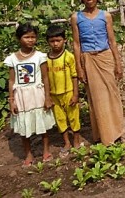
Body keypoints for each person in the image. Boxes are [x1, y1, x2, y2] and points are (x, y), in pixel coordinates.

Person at [70, 0, 124, 146]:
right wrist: (79, 67)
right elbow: (77, 44)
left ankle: (116, 132)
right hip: (89, 60)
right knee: (96, 98)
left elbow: (112, 41)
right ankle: (103, 134)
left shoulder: (105, 16)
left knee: (111, 94)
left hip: (105, 57)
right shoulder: (76, 17)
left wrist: (118, 63)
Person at [4, 22, 55, 167]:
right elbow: (12, 80)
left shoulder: (40, 56)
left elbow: (45, 77)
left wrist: (48, 96)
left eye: (33, 37)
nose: (30, 40)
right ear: (19, 38)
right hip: (21, 96)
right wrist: (11, 99)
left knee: (42, 124)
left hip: (37, 94)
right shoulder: (12, 59)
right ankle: (28, 153)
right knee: (23, 126)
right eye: (27, 37)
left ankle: (46, 151)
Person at [46, 24, 81, 157]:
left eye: (58, 40)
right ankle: (66, 142)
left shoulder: (69, 57)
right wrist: (47, 96)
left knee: (73, 117)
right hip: (54, 95)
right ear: (48, 42)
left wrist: (75, 94)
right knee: (60, 120)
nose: (55, 44)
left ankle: (76, 141)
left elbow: (74, 75)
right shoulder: (46, 59)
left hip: (68, 93)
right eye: (52, 41)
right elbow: (45, 78)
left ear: (64, 40)